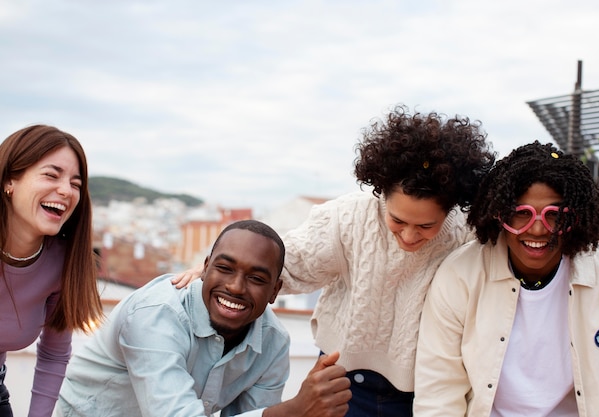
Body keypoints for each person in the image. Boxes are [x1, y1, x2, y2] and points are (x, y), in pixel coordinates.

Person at [276, 105, 496, 416]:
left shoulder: (467, 235)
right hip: (338, 383)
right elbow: (287, 264)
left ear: (451, 209)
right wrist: (210, 272)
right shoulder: (348, 218)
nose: (408, 236)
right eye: (397, 219)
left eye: (425, 226)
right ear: (381, 190)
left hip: (424, 395)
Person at [412, 141, 599, 416]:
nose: (537, 229)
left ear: (578, 218)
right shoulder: (459, 276)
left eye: (555, 216)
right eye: (521, 213)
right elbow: (438, 396)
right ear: (498, 213)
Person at [57, 219, 351, 417]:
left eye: (256, 278)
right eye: (225, 268)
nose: (235, 287)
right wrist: (294, 410)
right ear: (205, 267)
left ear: (275, 291)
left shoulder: (273, 343)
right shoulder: (156, 314)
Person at [0, 125, 102, 417]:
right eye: (51, 175)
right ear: (10, 180)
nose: (65, 190)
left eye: (75, 183)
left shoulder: (63, 264)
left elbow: (54, 354)